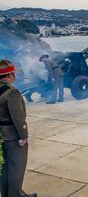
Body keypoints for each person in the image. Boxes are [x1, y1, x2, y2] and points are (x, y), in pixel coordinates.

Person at [0, 60, 37, 197]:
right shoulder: (11, 93)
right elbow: (18, 118)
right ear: (9, 76)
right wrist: (23, 136)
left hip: (0, 136)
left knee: (4, 168)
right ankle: (16, 195)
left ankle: (7, 194)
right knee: (16, 167)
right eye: (13, 73)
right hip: (11, 136)